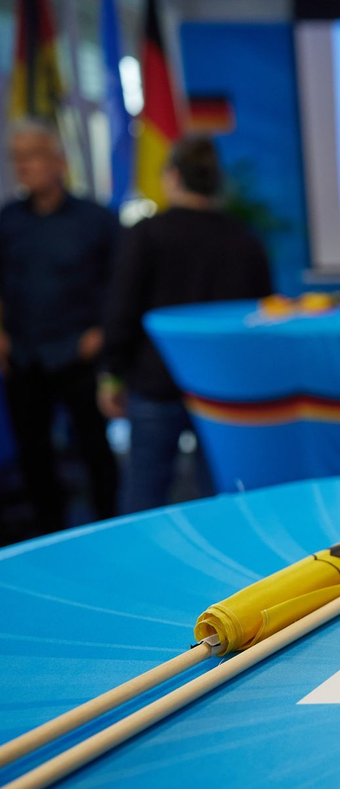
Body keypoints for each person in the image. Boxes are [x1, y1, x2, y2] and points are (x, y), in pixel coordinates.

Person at [100, 135, 272, 512]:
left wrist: (112, 374)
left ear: (173, 176)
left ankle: (143, 554)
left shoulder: (146, 234)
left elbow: (121, 309)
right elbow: (262, 318)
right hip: (221, 388)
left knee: (145, 496)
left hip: (155, 382)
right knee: (222, 498)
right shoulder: (244, 239)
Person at [0, 119, 120, 533]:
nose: (24, 166)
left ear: (58, 161)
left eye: (32, 156)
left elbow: (119, 284)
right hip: (24, 356)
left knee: (95, 450)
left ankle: (110, 529)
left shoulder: (95, 219)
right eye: (17, 158)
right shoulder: (8, 220)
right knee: (34, 456)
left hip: (78, 354)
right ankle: (47, 536)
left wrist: (101, 333)